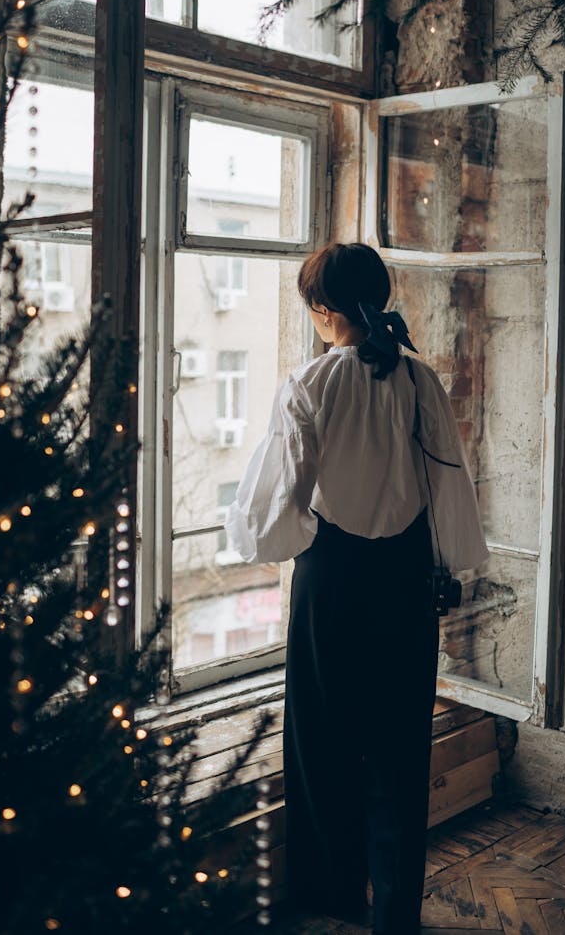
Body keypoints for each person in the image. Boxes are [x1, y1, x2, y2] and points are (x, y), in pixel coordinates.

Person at [226, 242, 488, 935]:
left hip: (332, 578)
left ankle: (333, 893)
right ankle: (396, 911)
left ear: (323, 309)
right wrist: (447, 563)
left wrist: (290, 541)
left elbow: (276, 509)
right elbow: (445, 486)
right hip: (403, 582)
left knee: (321, 741)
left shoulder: (308, 384)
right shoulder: (418, 380)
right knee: (400, 748)